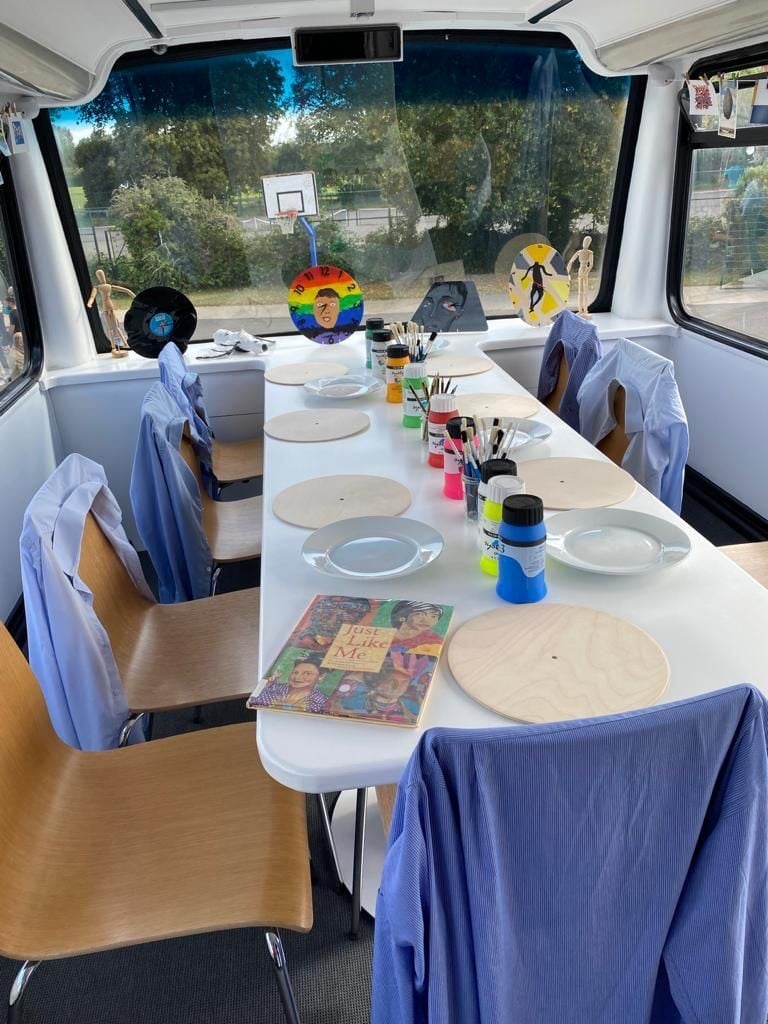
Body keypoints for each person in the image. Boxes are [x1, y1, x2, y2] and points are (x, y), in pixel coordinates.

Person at [291, 596, 372, 651]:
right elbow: (310, 629)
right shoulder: (323, 614)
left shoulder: (352, 627)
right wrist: (307, 637)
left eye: (350, 612)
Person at [254, 657, 329, 713]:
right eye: (295, 672)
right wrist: (264, 685)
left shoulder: (321, 701)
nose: (297, 677)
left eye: (307, 673)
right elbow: (254, 699)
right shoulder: (273, 688)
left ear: (321, 676)